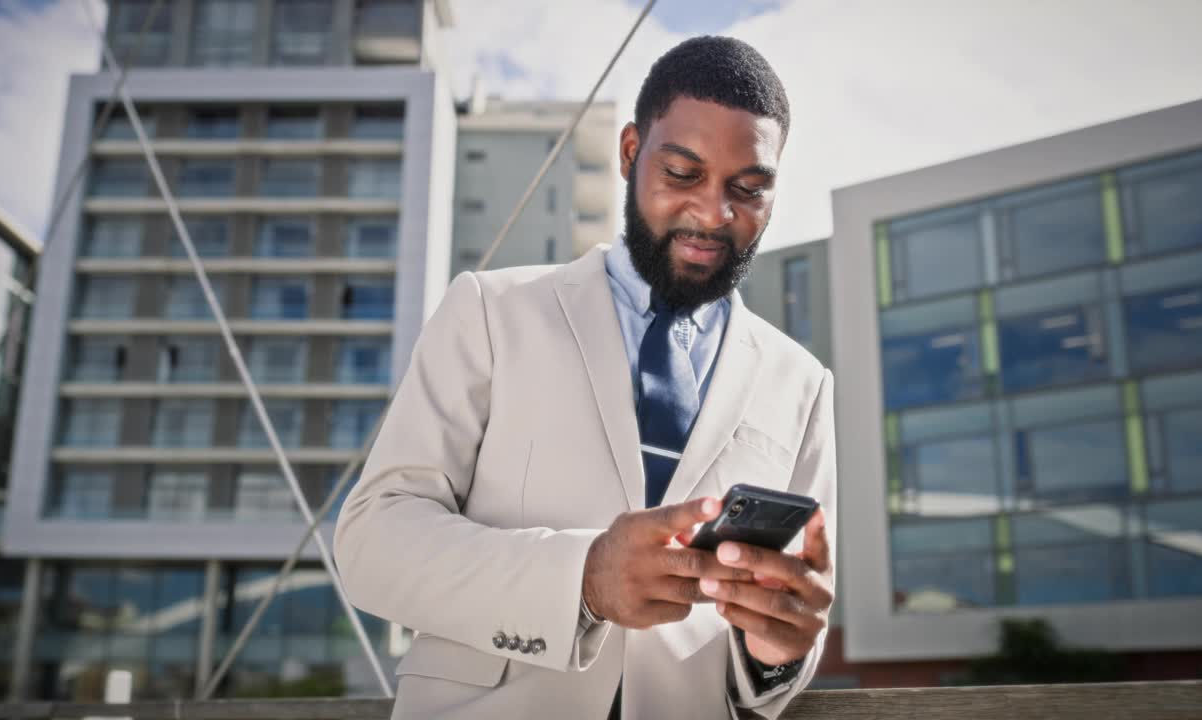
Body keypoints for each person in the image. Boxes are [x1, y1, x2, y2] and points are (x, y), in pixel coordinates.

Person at [334, 35, 836, 720]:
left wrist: (778, 653)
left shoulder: (803, 385)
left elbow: (787, 628)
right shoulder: (490, 312)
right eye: (684, 174)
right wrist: (584, 579)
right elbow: (372, 543)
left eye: (747, 189)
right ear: (631, 152)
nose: (712, 215)